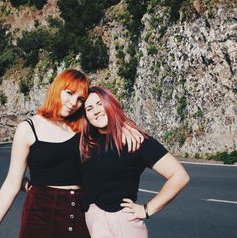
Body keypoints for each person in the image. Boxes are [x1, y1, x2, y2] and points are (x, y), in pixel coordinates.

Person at [0, 70, 143, 238]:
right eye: (69, 93)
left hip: (81, 212)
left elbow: (105, 112)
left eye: (80, 99)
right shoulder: (28, 128)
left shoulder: (84, 125)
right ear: (57, 89)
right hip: (40, 214)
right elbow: (12, 183)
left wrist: (125, 125)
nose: (74, 103)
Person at [79, 86, 190, 238]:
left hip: (124, 223)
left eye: (100, 104)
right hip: (93, 221)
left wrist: (146, 209)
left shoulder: (135, 140)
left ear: (111, 104)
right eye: (89, 108)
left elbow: (179, 176)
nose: (96, 111)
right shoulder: (86, 142)